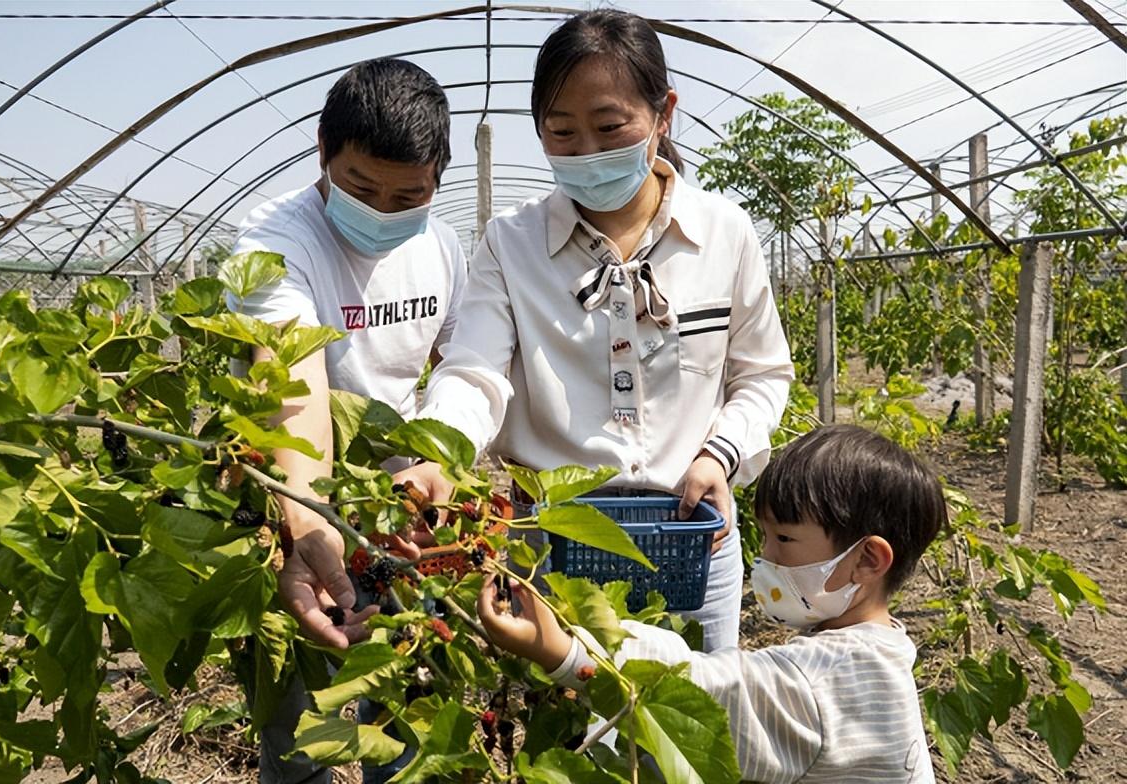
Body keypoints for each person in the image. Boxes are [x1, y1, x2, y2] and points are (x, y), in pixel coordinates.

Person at [397, 9, 793, 651]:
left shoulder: (724, 233)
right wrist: (440, 453)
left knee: (687, 730)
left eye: (610, 128)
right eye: (562, 133)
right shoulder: (511, 245)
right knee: (566, 733)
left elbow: (761, 374)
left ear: (663, 114)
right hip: (556, 544)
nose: (587, 153)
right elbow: (473, 370)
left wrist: (720, 454)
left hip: (693, 535)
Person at [225, 57, 465, 784]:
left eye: (409, 195)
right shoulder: (272, 243)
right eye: (362, 188)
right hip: (295, 516)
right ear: (322, 149)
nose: (385, 211)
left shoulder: (443, 246)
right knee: (305, 734)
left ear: (437, 179)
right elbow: (296, 384)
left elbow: (463, 367)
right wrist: (308, 520)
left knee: (406, 722)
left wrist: (442, 469)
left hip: (403, 519)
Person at [479, 424, 944, 783]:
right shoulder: (884, 649)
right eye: (764, 535)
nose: (766, 556)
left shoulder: (824, 679)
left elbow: (709, 686)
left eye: (784, 538)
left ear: (868, 560)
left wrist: (566, 647)